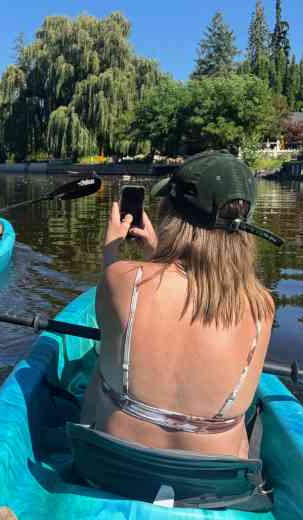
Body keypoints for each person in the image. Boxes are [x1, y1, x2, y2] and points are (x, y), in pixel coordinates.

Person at [80, 150, 283, 460]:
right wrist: (156, 255)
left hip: (114, 467)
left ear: (172, 217)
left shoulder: (123, 279)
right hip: (212, 487)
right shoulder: (262, 307)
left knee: (103, 359)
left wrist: (112, 250)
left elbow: (119, 311)